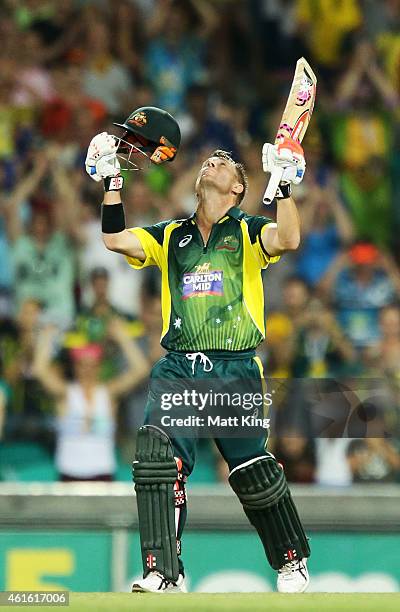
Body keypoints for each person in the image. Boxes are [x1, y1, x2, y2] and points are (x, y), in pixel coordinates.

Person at [85, 105, 310, 593]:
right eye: (210, 159)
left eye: (226, 161)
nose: (213, 161)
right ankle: (165, 572)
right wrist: (111, 181)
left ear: (237, 189)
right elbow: (113, 238)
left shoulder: (248, 230)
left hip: (235, 367)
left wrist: (286, 187)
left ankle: (291, 560)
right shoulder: (171, 236)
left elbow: (288, 237)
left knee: (251, 469)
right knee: (156, 458)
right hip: (179, 369)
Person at [32, 319, 149, 482]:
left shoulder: (108, 394)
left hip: (103, 472)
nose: (87, 370)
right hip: (69, 472)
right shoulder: (65, 394)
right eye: (82, 365)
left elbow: (141, 370)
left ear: (99, 367)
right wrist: (46, 338)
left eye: (92, 365)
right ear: (75, 367)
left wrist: (123, 337)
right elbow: (39, 371)